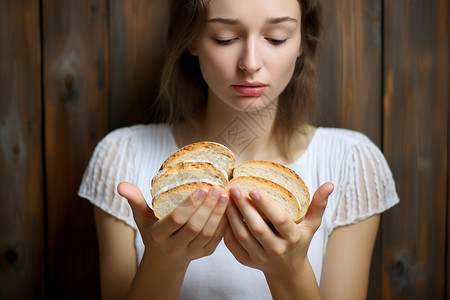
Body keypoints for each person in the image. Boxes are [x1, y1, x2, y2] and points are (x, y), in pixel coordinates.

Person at [78, 0, 399, 299]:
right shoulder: (122, 155)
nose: (250, 63)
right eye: (224, 38)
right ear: (192, 39)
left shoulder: (352, 162)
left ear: (302, 40)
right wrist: (163, 261)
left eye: (276, 38)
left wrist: (289, 271)